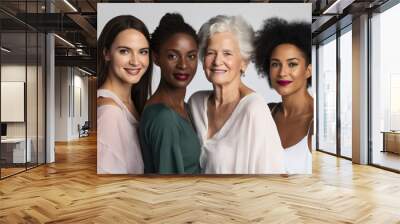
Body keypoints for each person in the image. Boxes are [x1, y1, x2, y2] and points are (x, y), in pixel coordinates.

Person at [188, 15, 285, 174]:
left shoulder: (254, 109)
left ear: (244, 62)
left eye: (227, 53)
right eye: (211, 52)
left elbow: (272, 178)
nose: (217, 61)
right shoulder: (195, 103)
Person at [139, 13, 201, 174]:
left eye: (191, 56)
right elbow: (171, 189)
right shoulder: (163, 117)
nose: (183, 65)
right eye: (173, 56)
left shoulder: (187, 108)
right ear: (156, 58)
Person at [254, 17, 313, 174]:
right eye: (275, 64)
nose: (282, 72)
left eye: (292, 64)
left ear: (308, 70)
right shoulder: (266, 112)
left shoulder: (316, 122)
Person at [97, 15, 153, 174]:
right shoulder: (109, 113)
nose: (135, 61)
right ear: (107, 53)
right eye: (124, 51)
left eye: (143, 52)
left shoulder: (134, 105)